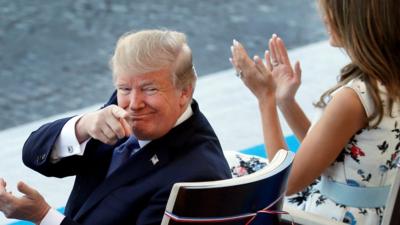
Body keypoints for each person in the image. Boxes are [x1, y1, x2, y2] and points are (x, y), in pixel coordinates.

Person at [0, 29, 232, 225]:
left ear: (184, 92)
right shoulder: (120, 110)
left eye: (150, 89)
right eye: (124, 89)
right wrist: (84, 125)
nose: (134, 105)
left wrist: (43, 216)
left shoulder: (197, 178)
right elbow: (32, 154)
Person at [230, 0, 400, 224]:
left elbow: (285, 183)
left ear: (354, 21)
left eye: (330, 11)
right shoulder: (387, 82)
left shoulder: (352, 98)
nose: (324, 18)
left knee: (230, 169)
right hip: (371, 214)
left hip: (332, 218)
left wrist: (265, 99)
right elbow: (330, 148)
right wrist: (285, 100)